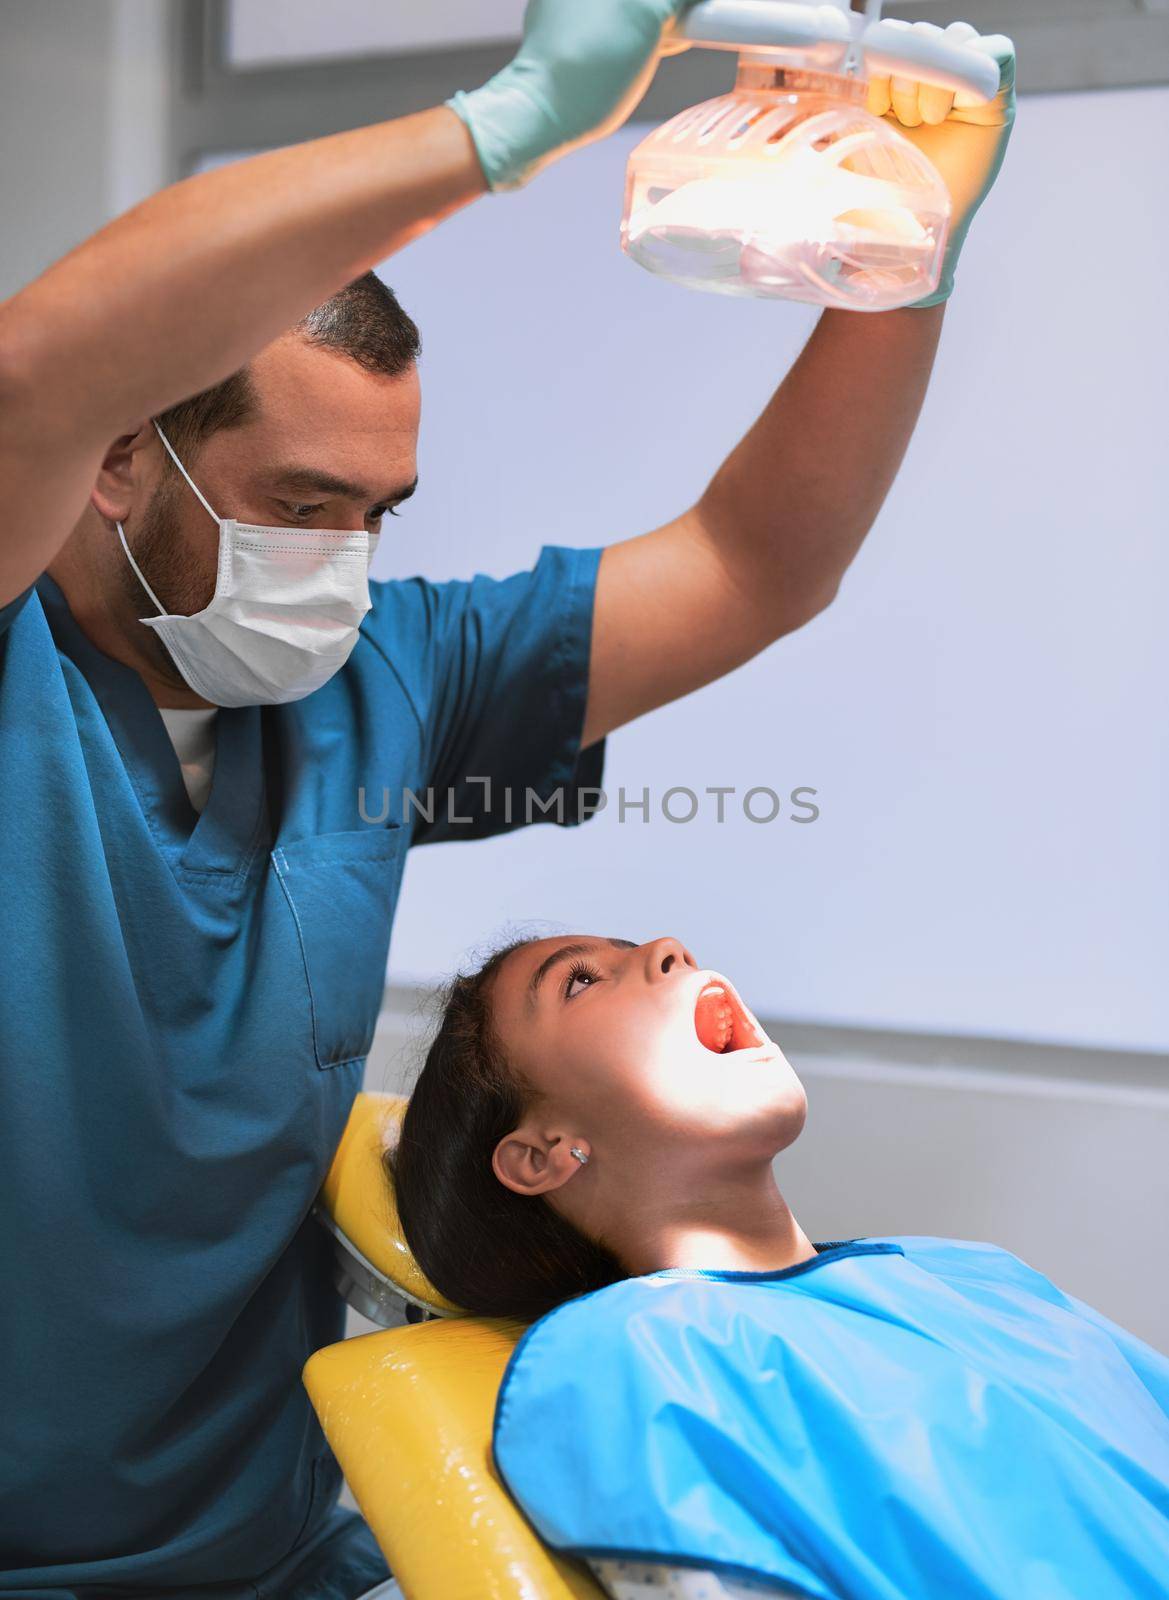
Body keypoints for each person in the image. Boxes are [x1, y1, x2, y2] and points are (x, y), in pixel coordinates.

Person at [0, 2, 1015, 1594]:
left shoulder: (380, 679)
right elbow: (26, 373)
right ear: (121, 458)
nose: (339, 562)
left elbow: (758, 565)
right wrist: (506, 128)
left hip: (272, 1550)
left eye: (376, 515)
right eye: (298, 505)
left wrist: (898, 271)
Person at [390, 933, 1169, 1599]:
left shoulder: (970, 1275)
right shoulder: (633, 1358)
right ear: (544, 1154)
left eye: (638, 950)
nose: (669, 949)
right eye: (580, 980)